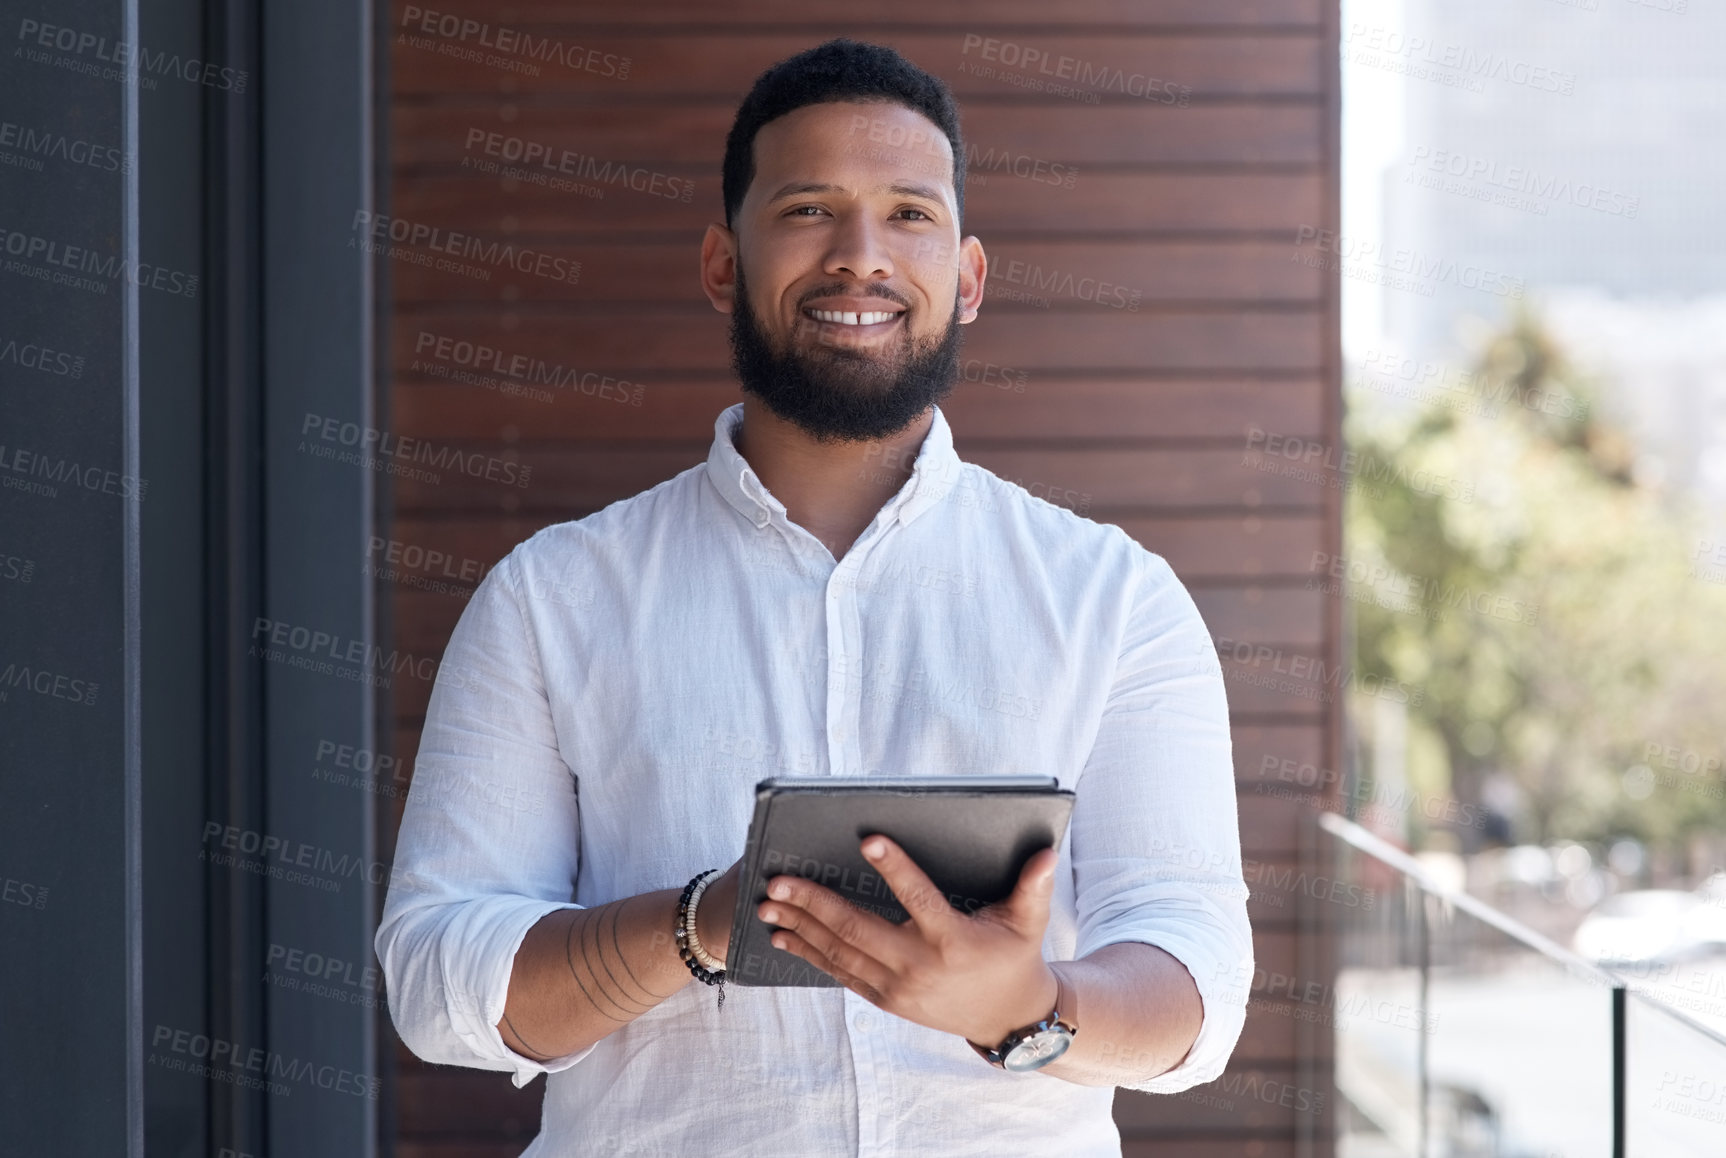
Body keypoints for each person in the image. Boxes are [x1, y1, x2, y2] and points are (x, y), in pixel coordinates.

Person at [377, 37, 1252, 1157]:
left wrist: (1023, 1009)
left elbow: (1196, 981)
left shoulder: (1115, 599)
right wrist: (703, 924)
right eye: (805, 211)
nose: (860, 257)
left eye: (909, 214)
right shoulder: (550, 598)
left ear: (968, 279)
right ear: (719, 266)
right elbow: (438, 978)